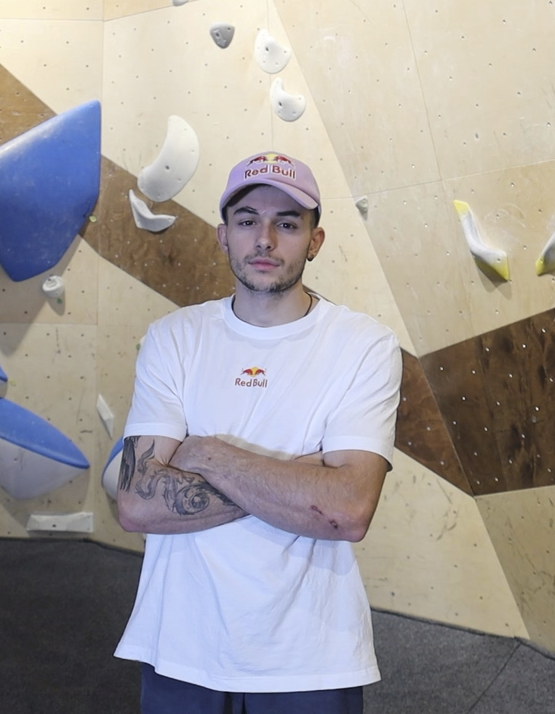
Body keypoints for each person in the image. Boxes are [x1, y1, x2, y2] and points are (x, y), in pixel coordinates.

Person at [114, 152, 402, 713]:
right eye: (247, 221)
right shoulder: (174, 338)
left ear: (314, 240)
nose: (264, 239)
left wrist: (207, 454)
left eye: (287, 223)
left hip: (311, 654)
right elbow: (137, 504)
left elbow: (347, 510)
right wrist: (305, 477)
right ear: (223, 236)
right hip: (180, 644)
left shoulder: (364, 345)